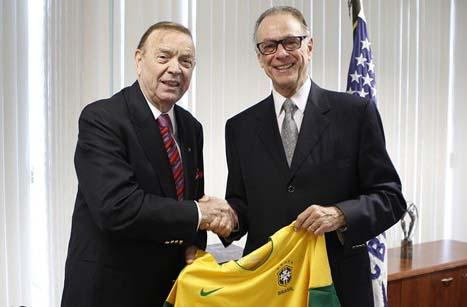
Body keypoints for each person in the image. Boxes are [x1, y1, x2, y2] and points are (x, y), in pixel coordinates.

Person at [222, 7, 406, 307]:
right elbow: (243, 206)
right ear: (260, 58)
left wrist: (340, 214)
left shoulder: (355, 113)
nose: (280, 54)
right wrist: (224, 216)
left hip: (338, 285)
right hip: (267, 287)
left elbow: (390, 197)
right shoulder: (239, 127)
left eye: (290, 42)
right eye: (269, 46)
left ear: (309, 45)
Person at [61, 22, 234, 307]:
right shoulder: (103, 118)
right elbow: (116, 207)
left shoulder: (191, 128)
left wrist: (195, 244)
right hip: (111, 289)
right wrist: (201, 214)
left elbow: (186, 204)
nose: (175, 69)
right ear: (139, 60)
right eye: (164, 57)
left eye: (186, 61)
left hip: (172, 290)